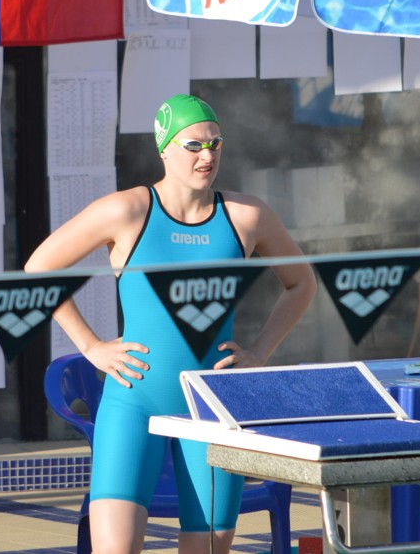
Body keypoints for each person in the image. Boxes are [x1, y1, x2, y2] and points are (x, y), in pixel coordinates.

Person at [25, 93, 317, 554]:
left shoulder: (246, 216)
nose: (207, 155)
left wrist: (260, 351)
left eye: (215, 143)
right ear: (164, 149)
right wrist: (91, 346)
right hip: (133, 401)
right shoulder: (127, 211)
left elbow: (302, 284)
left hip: (213, 409)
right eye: (193, 145)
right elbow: (39, 269)